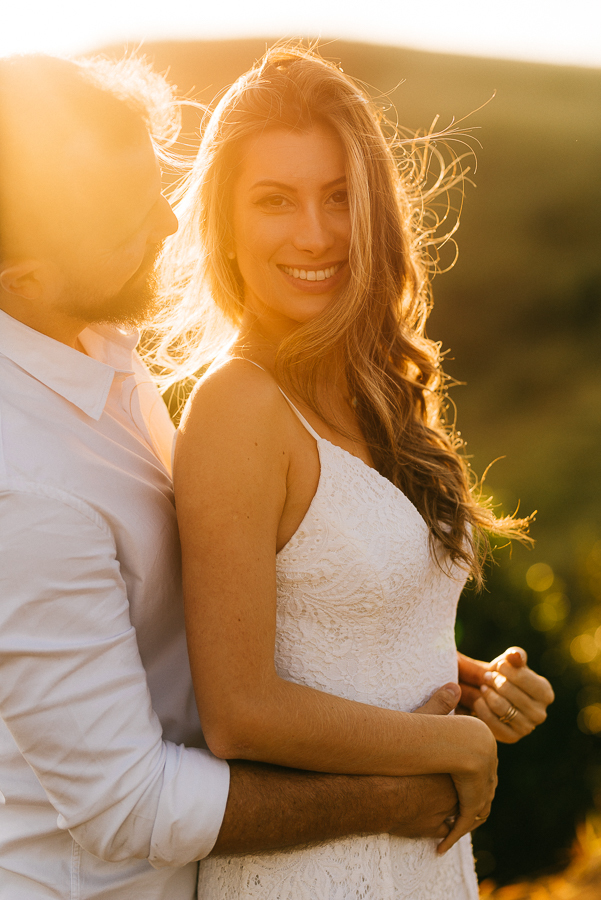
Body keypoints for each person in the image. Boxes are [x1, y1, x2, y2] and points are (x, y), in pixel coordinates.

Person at [0, 51, 544, 900]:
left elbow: (281, 605)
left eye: (339, 196)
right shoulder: (49, 469)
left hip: (407, 852)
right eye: (272, 201)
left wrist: (455, 682)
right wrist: (437, 758)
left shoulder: (109, 362)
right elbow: (190, 747)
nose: (167, 226)